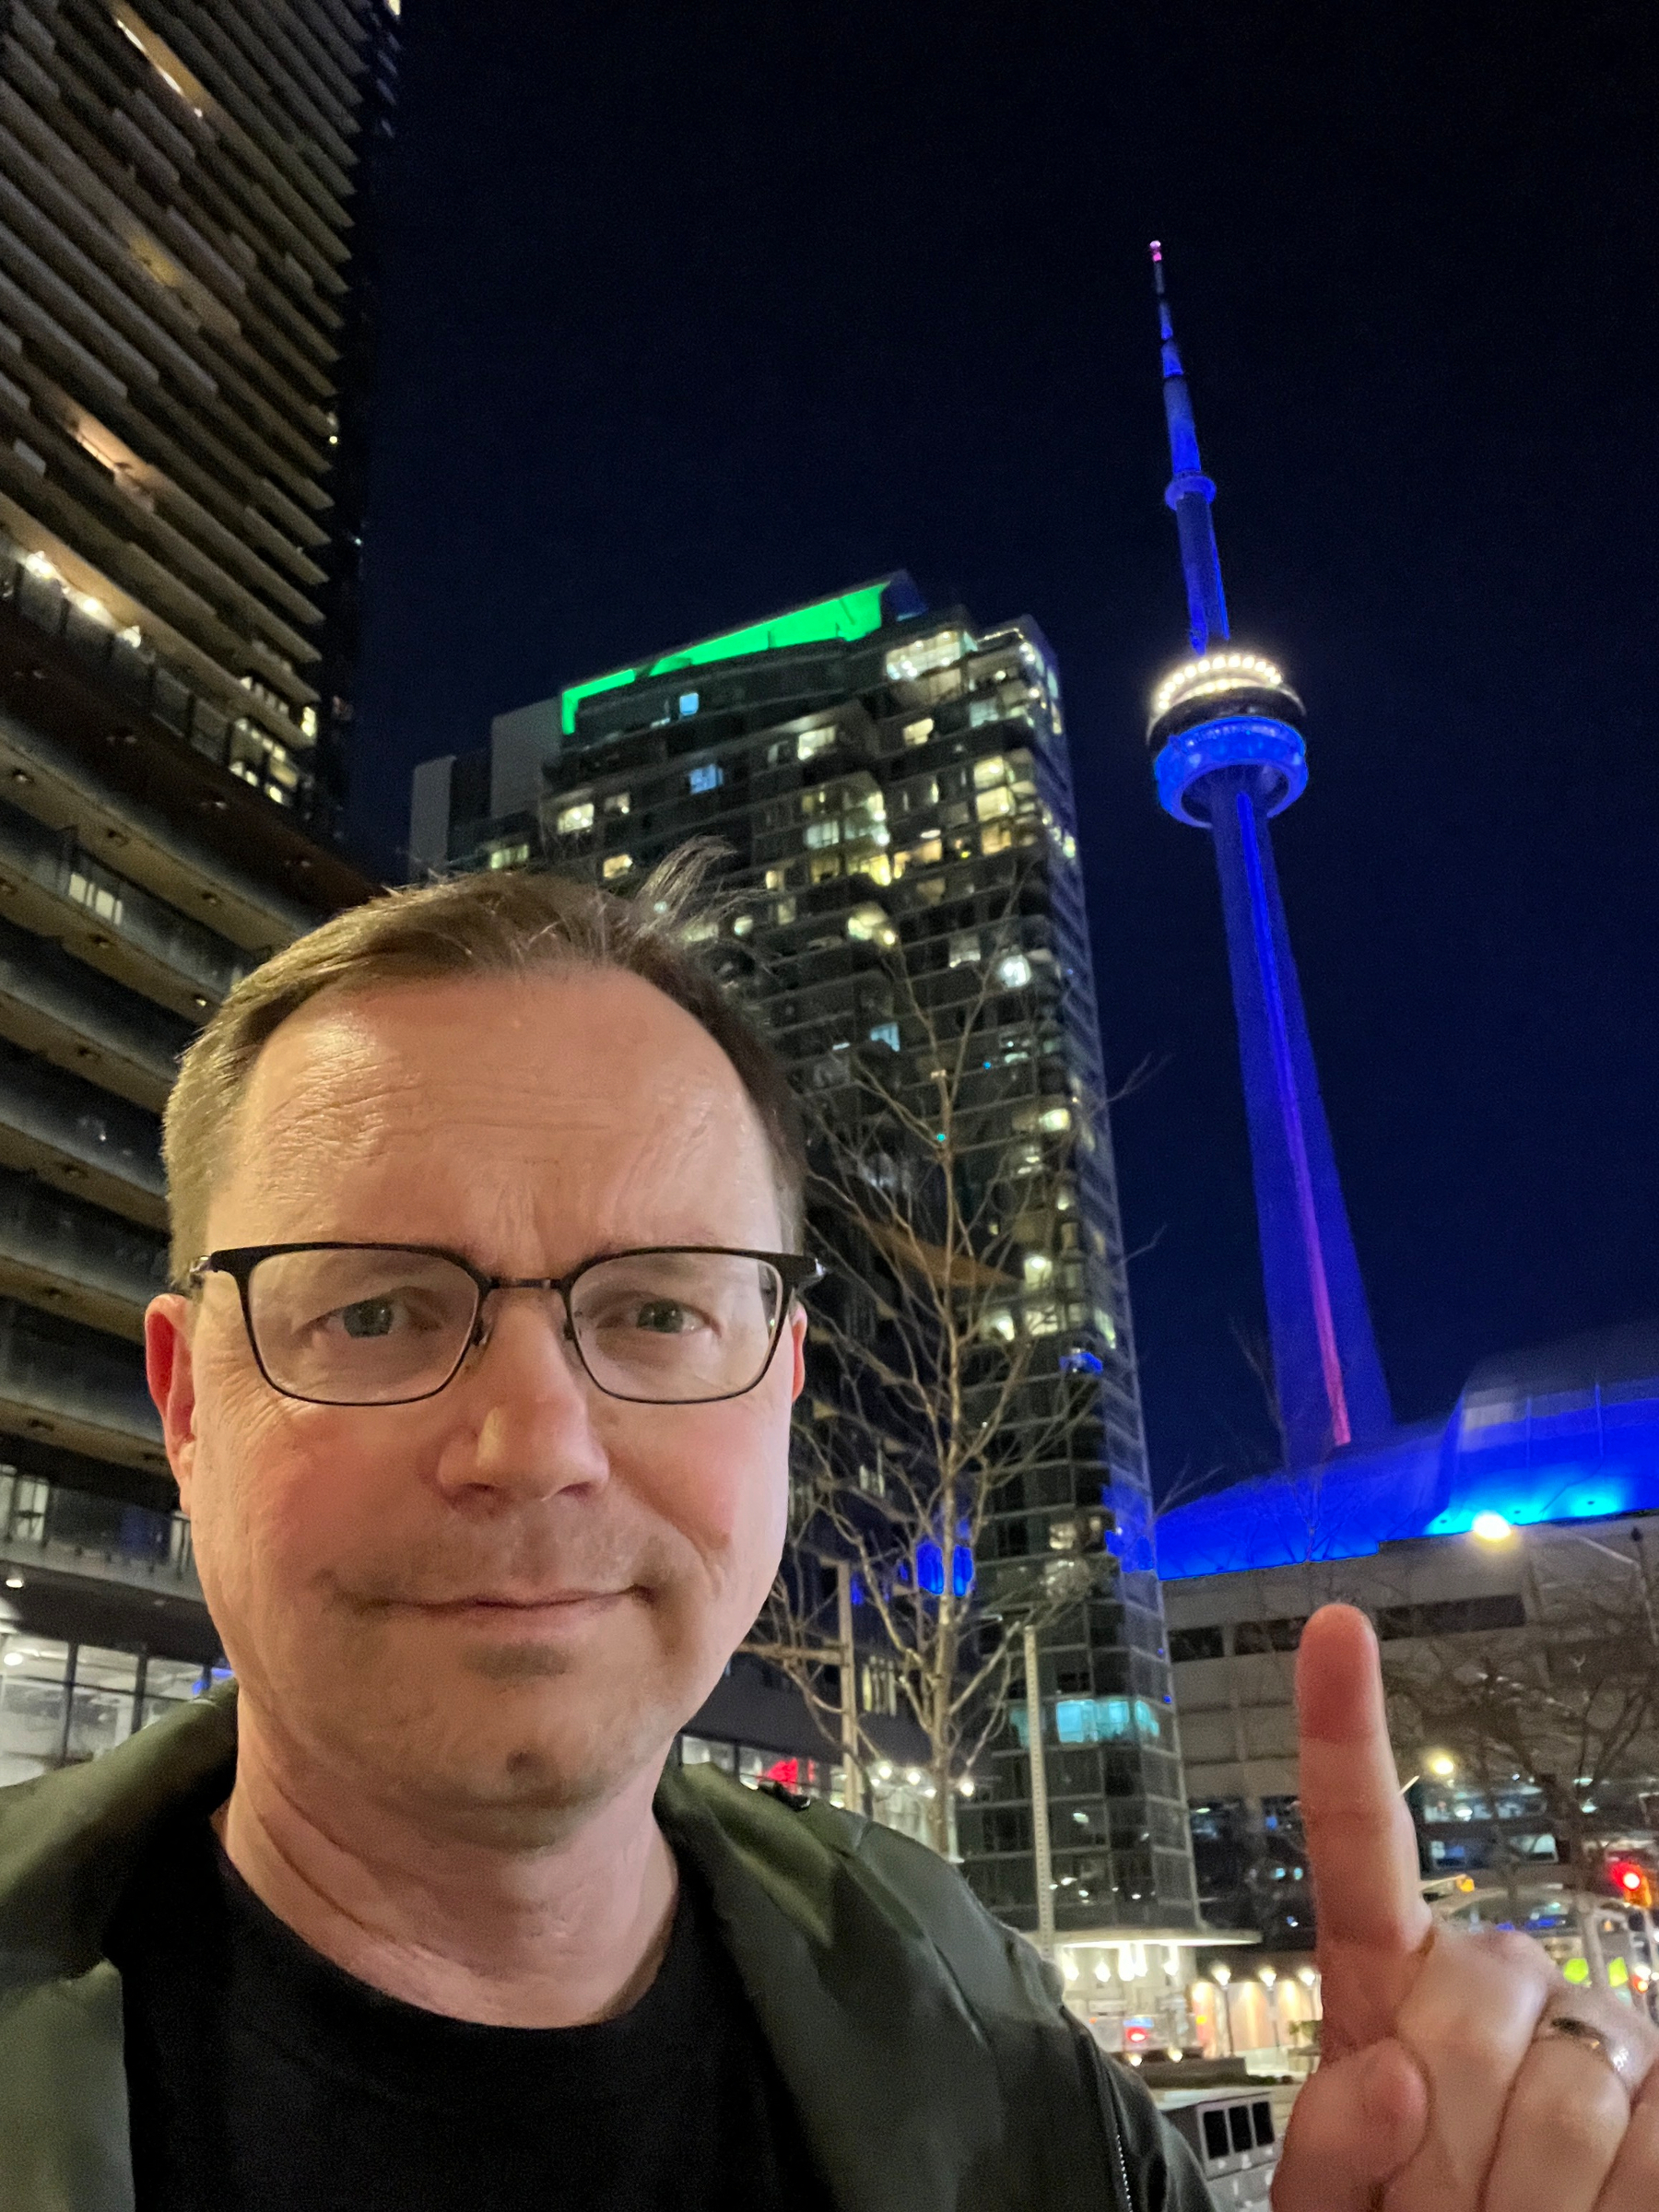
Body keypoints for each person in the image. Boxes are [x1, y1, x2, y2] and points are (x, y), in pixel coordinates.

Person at [1, 860, 1654, 2212]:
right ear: (187, 1401)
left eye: (655, 1310)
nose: (534, 1450)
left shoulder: (1012, 2067)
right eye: (371, 1313)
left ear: (781, 1385)